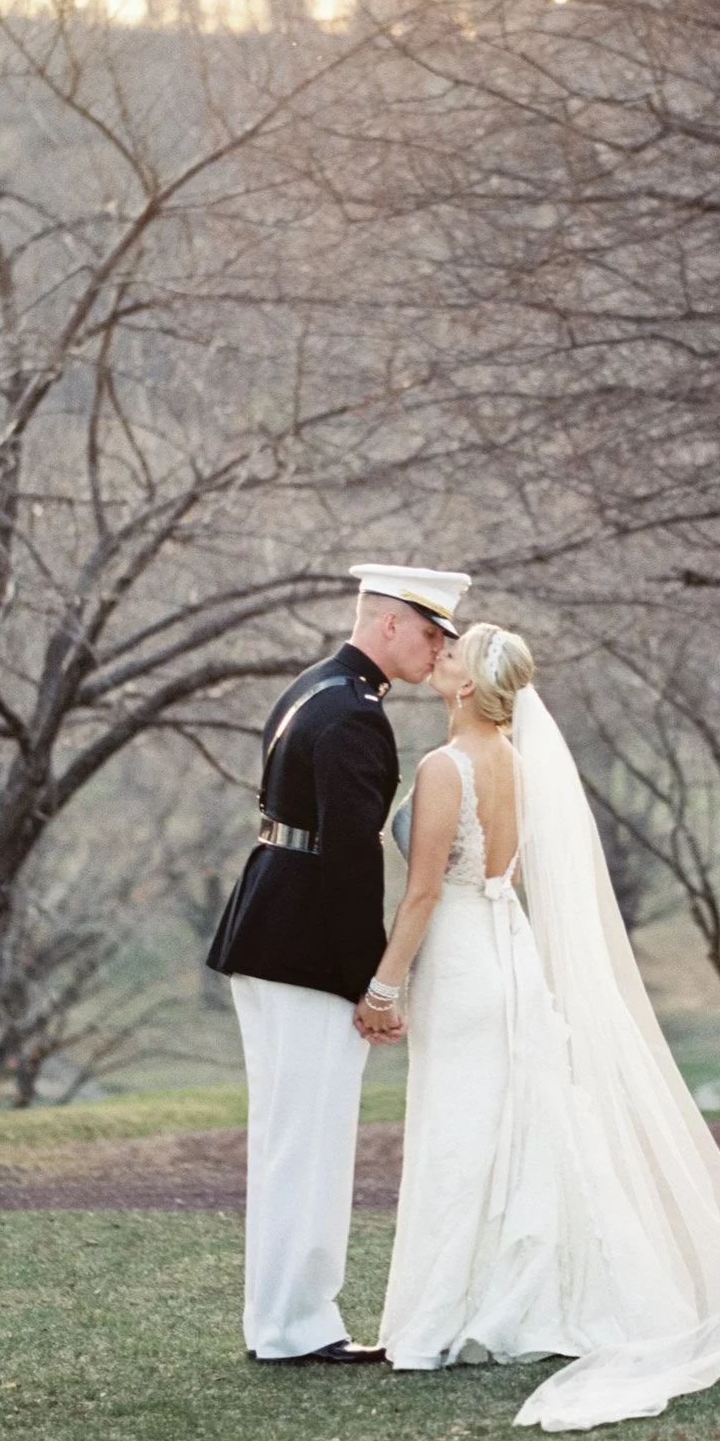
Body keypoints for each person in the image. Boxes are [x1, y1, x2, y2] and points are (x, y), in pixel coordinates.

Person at [354, 621, 720, 1431]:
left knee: (459, 1133)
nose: (440, 655)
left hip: (467, 960)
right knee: (514, 1128)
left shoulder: (447, 767)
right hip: (512, 950)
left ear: (471, 685)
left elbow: (426, 893)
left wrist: (382, 985)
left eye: (454, 654)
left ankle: (443, 1316)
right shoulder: (517, 761)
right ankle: (518, 1296)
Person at [206, 562, 471, 1364]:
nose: (435, 651)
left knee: (290, 1135)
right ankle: (297, 1325)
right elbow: (351, 862)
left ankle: (281, 1318)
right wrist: (374, 983)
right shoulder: (357, 717)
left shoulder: (312, 686)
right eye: (429, 633)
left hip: (270, 927)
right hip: (305, 940)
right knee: (309, 1140)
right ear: (386, 623)